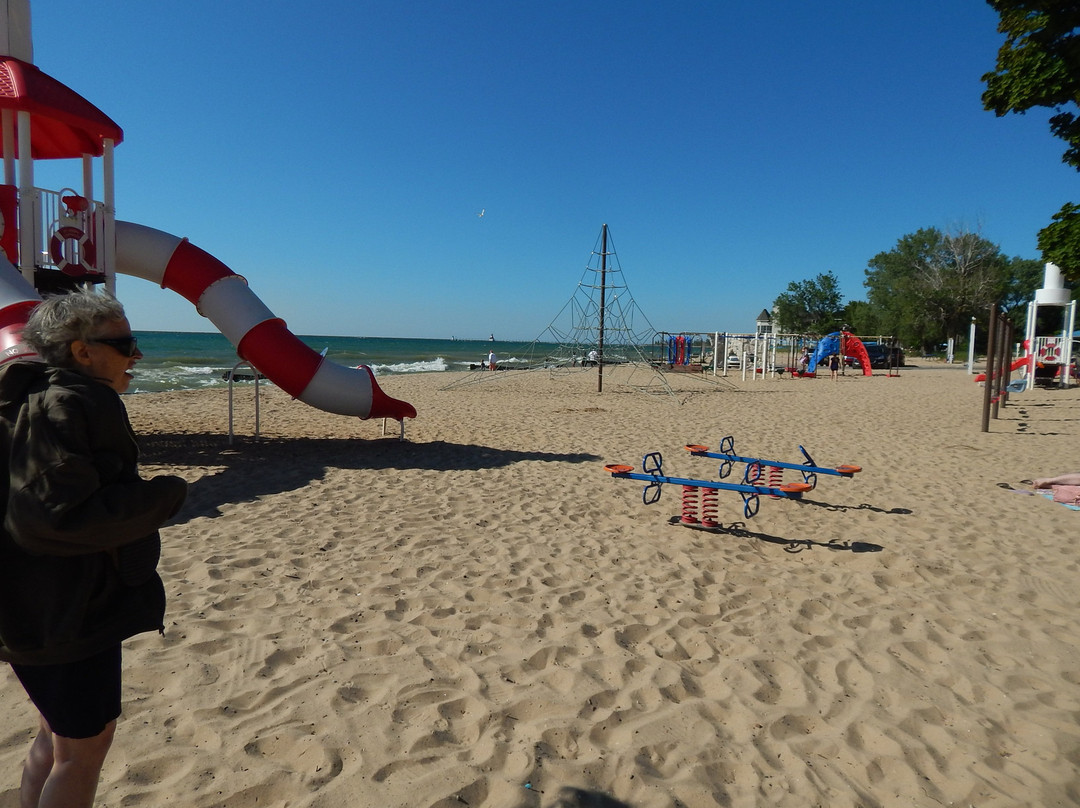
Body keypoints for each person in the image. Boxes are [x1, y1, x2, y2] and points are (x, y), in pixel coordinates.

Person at [0, 287, 188, 808]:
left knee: (56, 734)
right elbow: (54, 518)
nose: (138, 355)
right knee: (84, 748)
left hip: (28, 608)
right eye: (127, 343)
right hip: (66, 612)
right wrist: (163, 496)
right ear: (83, 352)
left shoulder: (25, 395)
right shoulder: (77, 402)